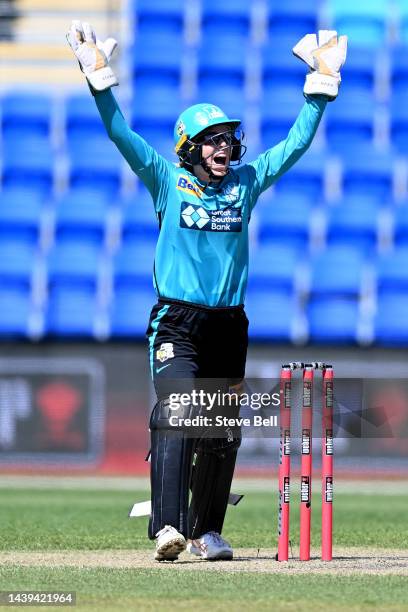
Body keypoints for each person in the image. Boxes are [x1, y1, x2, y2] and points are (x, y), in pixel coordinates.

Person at [67, 22, 347, 562]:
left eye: (228, 138)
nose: (226, 146)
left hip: (228, 325)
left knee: (219, 430)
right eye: (214, 138)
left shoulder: (245, 182)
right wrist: (100, 83)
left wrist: (318, 92)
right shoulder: (166, 179)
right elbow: (121, 135)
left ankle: (207, 532)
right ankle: (168, 528)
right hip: (178, 323)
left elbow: (294, 147)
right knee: (176, 412)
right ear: (190, 147)